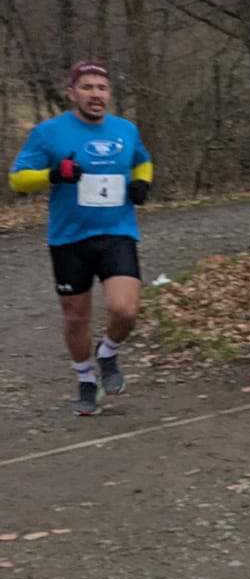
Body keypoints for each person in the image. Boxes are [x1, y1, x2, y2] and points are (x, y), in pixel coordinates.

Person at [9, 62, 154, 416]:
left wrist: (142, 182)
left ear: (109, 94)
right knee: (75, 318)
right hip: (69, 239)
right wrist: (54, 175)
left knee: (125, 310)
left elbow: (143, 161)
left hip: (117, 232)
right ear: (71, 93)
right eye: (87, 87)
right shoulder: (48, 133)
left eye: (102, 87)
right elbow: (17, 178)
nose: (95, 94)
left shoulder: (125, 129)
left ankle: (108, 352)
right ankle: (86, 379)